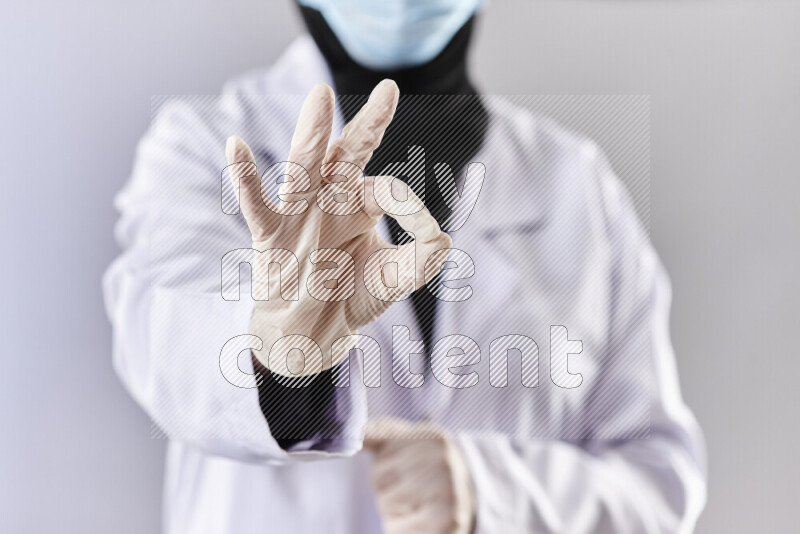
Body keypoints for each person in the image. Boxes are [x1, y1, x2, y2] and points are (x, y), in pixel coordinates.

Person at [104, 0, 707, 532]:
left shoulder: (578, 187)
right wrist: (280, 359)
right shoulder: (208, 146)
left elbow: (658, 484)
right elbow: (165, 344)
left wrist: (491, 493)